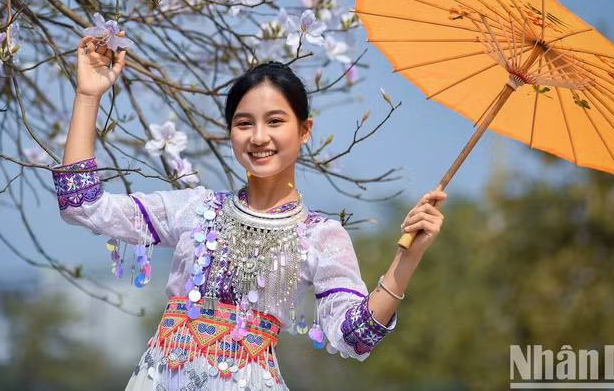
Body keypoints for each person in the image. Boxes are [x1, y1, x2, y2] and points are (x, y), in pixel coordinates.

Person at [51, 32, 447, 391]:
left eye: (275, 121)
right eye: (244, 123)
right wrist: (88, 97)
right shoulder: (195, 208)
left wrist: (407, 257)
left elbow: (353, 335)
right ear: (230, 131)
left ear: (305, 129)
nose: (259, 137)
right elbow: (83, 205)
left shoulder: (319, 236)